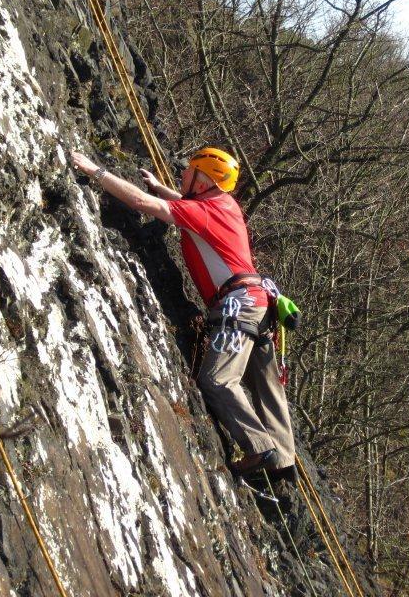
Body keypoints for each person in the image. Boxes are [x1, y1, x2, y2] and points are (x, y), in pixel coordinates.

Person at [70, 147, 295, 477]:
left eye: (189, 172)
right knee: (266, 387)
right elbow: (190, 211)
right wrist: (163, 188)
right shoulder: (225, 205)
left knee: (217, 380)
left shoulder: (204, 211)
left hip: (240, 308)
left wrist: (95, 171)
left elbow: (144, 205)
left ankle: (260, 449)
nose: (183, 174)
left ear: (203, 182)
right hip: (258, 306)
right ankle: (283, 460)